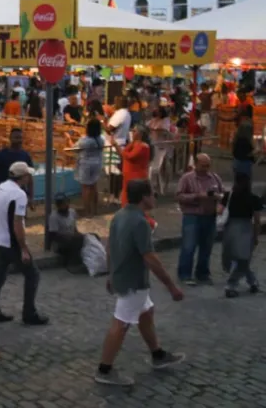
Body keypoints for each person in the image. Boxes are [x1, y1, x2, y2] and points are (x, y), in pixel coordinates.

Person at [94, 179, 185, 387]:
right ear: (144, 197)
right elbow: (150, 257)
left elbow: (110, 248)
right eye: (153, 193)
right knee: (121, 323)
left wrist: (111, 274)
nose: (155, 197)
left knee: (146, 312)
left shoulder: (119, 216)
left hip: (124, 277)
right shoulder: (140, 222)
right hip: (133, 281)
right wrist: (171, 286)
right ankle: (104, 369)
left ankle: (158, 354)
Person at [0, 162, 48, 325]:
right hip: (11, 242)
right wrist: (24, 248)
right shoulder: (19, 195)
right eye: (28, 175)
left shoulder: (1, 188)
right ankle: (29, 312)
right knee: (33, 274)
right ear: (24, 176)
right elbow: (17, 223)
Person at [175, 153, 224, 285]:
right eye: (203, 166)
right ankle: (185, 274)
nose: (206, 168)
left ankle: (202, 273)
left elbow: (223, 194)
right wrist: (197, 196)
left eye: (208, 165)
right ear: (196, 164)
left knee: (206, 247)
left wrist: (220, 203)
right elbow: (179, 196)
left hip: (210, 216)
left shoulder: (214, 178)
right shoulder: (187, 178)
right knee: (188, 246)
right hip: (192, 216)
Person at [221, 171, 261, 297]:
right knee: (243, 259)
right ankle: (231, 285)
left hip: (230, 228)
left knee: (238, 258)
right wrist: (255, 236)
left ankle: (252, 281)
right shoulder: (254, 198)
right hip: (245, 229)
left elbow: (219, 210)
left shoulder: (228, 196)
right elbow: (257, 220)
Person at [71, 118, 105, 217]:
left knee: (85, 188)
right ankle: (95, 210)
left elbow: (74, 148)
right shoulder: (101, 139)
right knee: (94, 186)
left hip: (86, 165)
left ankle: (87, 211)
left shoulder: (84, 141)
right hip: (97, 163)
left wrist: (69, 138)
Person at [109, 125, 151, 207]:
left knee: (135, 200)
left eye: (134, 131)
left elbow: (129, 156)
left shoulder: (143, 147)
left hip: (136, 177)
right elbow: (123, 153)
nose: (132, 132)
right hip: (128, 177)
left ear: (140, 134)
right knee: (126, 197)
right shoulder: (133, 143)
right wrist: (116, 145)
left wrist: (116, 145)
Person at [0, 128, 32, 195]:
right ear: (10, 139)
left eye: (20, 138)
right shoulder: (1, 155)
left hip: (20, 194)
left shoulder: (26, 156)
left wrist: (31, 196)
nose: (19, 140)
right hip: (4, 193)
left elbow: (30, 177)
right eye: (16, 138)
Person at [48, 193, 85, 271]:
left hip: (72, 238)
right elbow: (53, 235)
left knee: (90, 237)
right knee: (75, 241)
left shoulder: (72, 212)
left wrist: (79, 234)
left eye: (64, 203)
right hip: (60, 243)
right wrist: (69, 237)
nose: (63, 205)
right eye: (60, 204)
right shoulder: (54, 216)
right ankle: (72, 264)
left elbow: (74, 228)